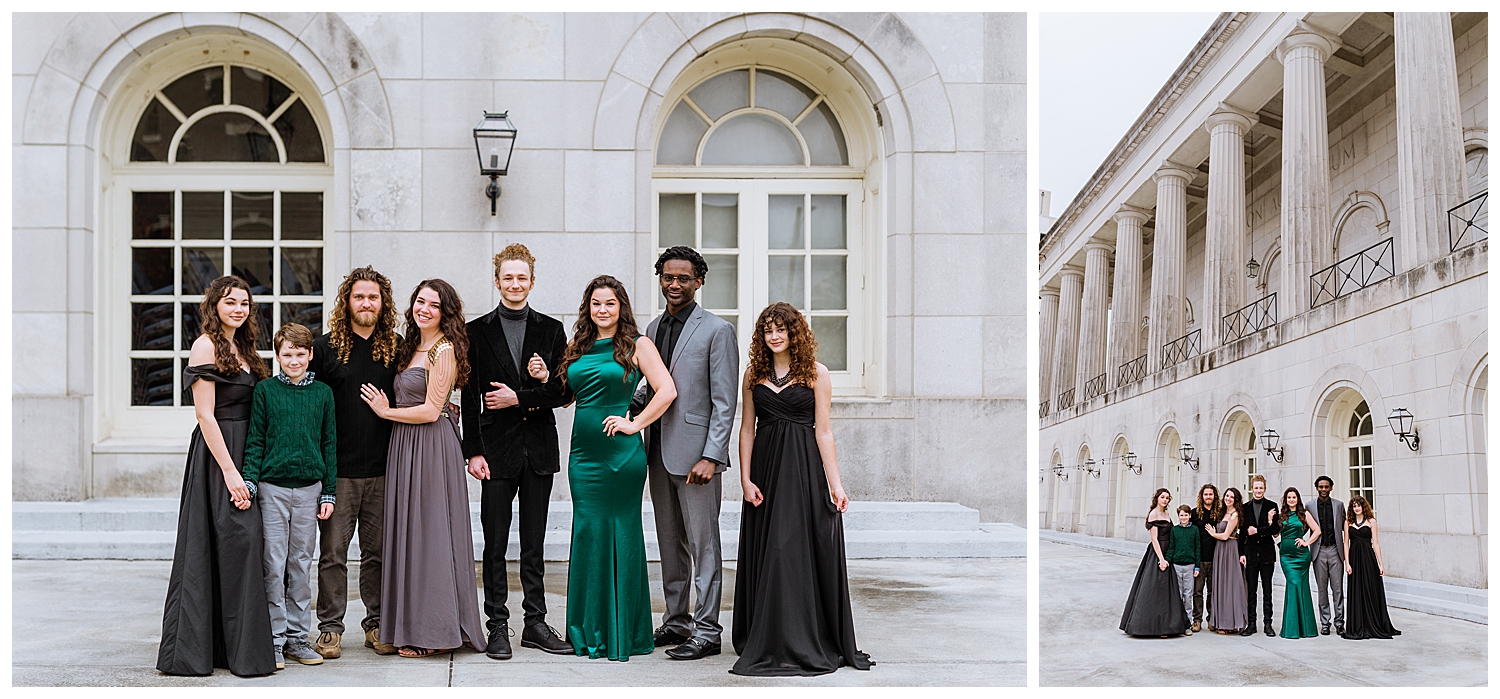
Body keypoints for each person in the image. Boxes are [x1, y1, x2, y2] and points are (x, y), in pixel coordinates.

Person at [731, 303, 874, 675]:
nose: (775, 336)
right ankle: (768, 636)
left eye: (782, 329)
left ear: (796, 333)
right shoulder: (752, 374)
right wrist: (745, 479)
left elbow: (823, 431)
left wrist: (836, 485)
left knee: (790, 550)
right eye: (768, 330)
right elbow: (747, 429)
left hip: (803, 470)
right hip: (765, 471)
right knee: (770, 550)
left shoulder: (816, 374)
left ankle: (800, 637)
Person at [157, 275, 277, 677]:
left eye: (244, 303)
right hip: (218, 455)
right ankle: (205, 652)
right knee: (231, 542)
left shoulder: (244, 347)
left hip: (248, 449)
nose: (239, 309)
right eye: (230, 302)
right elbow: (204, 414)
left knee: (241, 548)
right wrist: (231, 473)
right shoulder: (205, 344)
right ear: (215, 305)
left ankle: (240, 651)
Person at [360, 279, 485, 657]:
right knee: (409, 537)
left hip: (431, 447)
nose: (424, 309)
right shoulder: (410, 347)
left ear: (445, 313)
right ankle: (410, 627)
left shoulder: (443, 350)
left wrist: (385, 412)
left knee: (431, 536)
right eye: (419, 301)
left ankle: (436, 632)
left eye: (433, 304)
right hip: (404, 447)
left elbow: (432, 410)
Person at [556, 275, 677, 661]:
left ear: (621, 306)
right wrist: (545, 377)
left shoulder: (638, 345)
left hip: (620, 457)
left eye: (609, 303)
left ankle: (625, 630)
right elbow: (573, 394)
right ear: (587, 308)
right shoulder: (579, 345)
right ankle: (588, 629)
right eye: (596, 303)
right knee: (588, 533)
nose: (602, 310)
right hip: (582, 457)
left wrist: (635, 424)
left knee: (622, 532)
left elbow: (668, 390)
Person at [461, 243, 573, 659]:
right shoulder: (476, 332)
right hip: (494, 452)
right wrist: (472, 451)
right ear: (497, 281)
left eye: (521, 277)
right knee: (494, 542)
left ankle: (535, 623)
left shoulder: (551, 329)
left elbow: (564, 393)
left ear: (531, 281)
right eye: (507, 277)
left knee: (534, 542)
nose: (514, 283)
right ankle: (497, 625)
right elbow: (470, 397)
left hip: (539, 451)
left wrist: (522, 397)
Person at [632, 246, 739, 661]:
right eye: (667, 277)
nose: (674, 284)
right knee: (669, 543)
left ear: (699, 281)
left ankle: (708, 629)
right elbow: (653, 386)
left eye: (683, 278)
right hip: (657, 454)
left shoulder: (717, 330)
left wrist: (712, 456)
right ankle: (676, 620)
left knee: (704, 544)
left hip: (697, 459)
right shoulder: (654, 328)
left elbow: (725, 402)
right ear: (660, 279)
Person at [308, 266, 401, 659]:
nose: (366, 303)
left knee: (378, 554)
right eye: (359, 296)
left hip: (384, 469)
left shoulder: (396, 346)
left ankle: (376, 623)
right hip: (339, 472)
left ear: (383, 304)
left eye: (373, 297)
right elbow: (310, 408)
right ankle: (330, 628)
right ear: (347, 302)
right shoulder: (324, 347)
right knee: (333, 555)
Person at [242, 323, 338, 669]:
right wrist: (250, 483)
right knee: (273, 562)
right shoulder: (266, 391)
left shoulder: (323, 394)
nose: (294, 360)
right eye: (287, 355)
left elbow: (329, 444)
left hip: (310, 489)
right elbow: (255, 441)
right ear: (277, 356)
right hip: (272, 489)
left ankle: (298, 637)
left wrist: (328, 492)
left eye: (300, 354)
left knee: (300, 563)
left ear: (310, 355)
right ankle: (274, 639)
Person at [1119, 488, 1187, 637]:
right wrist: (1161, 559)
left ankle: (1168, 625)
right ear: (1157, 498)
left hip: (1168, 552)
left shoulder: (1167, 514)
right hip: (1157, 553)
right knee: (1155, 588)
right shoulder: (1154, 514)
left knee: (1167, 590)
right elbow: (1154, 539)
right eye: (1162, 497)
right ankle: (1153, 627)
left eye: (1167, 498)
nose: (1165, 500)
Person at [1341, 496, 1401, 639]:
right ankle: (1358, 625)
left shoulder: (1371, 521)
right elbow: (1345, 543)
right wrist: (1347, 563)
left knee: (1370, 588)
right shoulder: (1348, 522)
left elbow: (1376, 543)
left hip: (1368, 559)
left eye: (1359, 505)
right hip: (1354, 560)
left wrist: (1381, 564)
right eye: (1354, 506)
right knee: (1356, 590)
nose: (1356, 508)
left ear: (1363, 506)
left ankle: (1374, 623)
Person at [1276, 486, 1320, 639]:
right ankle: (1292, 628)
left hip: (1301, 556)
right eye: (1289, 497)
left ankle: (1305, 628)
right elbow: (1275, 533)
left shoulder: (1304, 514)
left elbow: (1317, 530)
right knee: (1293, 584)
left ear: (1298, 499)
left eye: (1294, 497)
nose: (1291, 500)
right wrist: (1270, 520)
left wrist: (1306, 542)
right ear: (1285, 500)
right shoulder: (1282, 515)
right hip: (1286, 556)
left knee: (1301, 587)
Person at [1239, 474, 1280, 636]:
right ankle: (1251, 624)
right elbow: (1242, 533)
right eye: (1256, 488)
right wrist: (1241, 553)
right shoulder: (1245, 507)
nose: (1258, 490)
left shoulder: (1272, 506)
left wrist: (1258, 530)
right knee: (1251, 591)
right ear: (1252, 489)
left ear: (1265, 489)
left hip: (1267, 553)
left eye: (1261, 488)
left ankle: (1268, 624)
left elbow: (1275, 530)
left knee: (1268, 590)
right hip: (1250, 553)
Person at [1308, 475, 1346, 636]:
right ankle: (1325, 623)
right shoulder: (1309, 506)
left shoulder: (1339, 505)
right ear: (1316, 488)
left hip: (1336, 551)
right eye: (1321, 487)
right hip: (1319, 552)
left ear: (1331, 488)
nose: (1323, 489)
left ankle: (1339, 622)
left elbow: (1347, 527)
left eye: (1326, 487)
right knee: (1322, 589)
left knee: (1337, 589)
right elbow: (1302, 527)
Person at [1207, 487, 1248, 634]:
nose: (1228, 498)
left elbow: (1225, 535)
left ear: (1236, 500)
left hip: (1230, 549)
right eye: (1226, 496)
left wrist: (1212, 533)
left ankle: (1232, 623)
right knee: (1221, 585)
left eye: (1231, 497)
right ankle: (1220, 622)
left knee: (1231, 585)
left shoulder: (1235, 514)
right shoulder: (1222, 512)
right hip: (1220, 551)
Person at [1188, 483, 1222, 632]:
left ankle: (1212, 619)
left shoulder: (1220, 513)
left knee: (1213, 591)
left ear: (1215, 496)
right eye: (1206, 494)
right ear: (1202, 497)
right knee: (1197, 591)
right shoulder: (1195, 514)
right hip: (1199, 559)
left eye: (1211, 494)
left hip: (1216, 557)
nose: (1208, 497)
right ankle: (1197, 620)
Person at [1165, 504, 1200, 636]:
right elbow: (1171, 547)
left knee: (1188, 595)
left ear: (1190, 516)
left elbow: (1197, 548)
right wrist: (1167, 561)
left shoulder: (1195, 530)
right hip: (1176, 566)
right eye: (1181, 515)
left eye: (1186, 515)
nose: (1184, 517)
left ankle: (1187, 624)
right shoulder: (1174, 530)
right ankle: (1177, 623)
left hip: (1190, 566)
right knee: (1177, 595)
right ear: (1178, 516)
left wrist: (1197, 566)